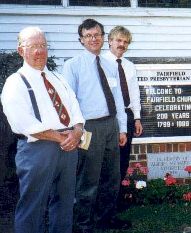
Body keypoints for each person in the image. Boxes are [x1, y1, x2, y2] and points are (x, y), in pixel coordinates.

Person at [1, 26, 85, 233]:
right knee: (32, 206)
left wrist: (77, 131)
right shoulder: (15, 82)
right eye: (33, 47)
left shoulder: (58, 78)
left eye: (43, 46)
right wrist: (61, 137)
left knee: (64, 203)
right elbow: (21, 122)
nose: (39, 51)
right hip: (38, 150)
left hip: (69, 147)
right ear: (21, 51)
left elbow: (75, 108)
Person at [62, 19, 130, 232]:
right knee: (88, 179)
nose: (94, 39)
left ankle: (105, 220)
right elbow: (68, 101)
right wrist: (76, 129)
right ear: (81, 40)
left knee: (112, 178)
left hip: (110, 125)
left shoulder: (111, 65)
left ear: (103, 37)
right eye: (88, 35)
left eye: (97, 34)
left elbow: (118, 99)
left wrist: (122, 128)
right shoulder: (72, 65)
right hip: (88, 128)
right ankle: (84, 225)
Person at [102, 26, 143, 209]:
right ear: (109, 41)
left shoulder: (129, 65)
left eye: (125, 42)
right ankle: (102, 204)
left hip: (126, 115)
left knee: (123, 161)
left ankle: (115, 202)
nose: (122, 45)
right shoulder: (100, 62)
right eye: (119, 40)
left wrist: (137, 118)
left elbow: (134, 94)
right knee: (107, 162)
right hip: (108, 117)